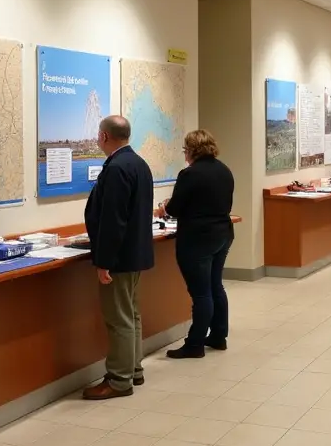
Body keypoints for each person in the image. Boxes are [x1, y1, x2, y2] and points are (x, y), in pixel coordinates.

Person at [82, 116, 154, 400]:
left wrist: (104, 262)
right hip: (134, 253)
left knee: (119, 318)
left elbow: (113, 221)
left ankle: (119, 380)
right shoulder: (138, 163)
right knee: (131, 315)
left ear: (103, 137)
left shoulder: (116, 168)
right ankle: (133, 369)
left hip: (119, 259)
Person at [160, 130, 235, 360]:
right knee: (215, 286)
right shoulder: (224, 170)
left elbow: (174, 209)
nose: (185, 154)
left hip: (198, 239)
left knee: (201, 294)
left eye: (185, 150)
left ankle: (195, 344)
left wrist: (164, 206)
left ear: (192, 150)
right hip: (222, 234)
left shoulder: (189, 174)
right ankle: (218, 336)